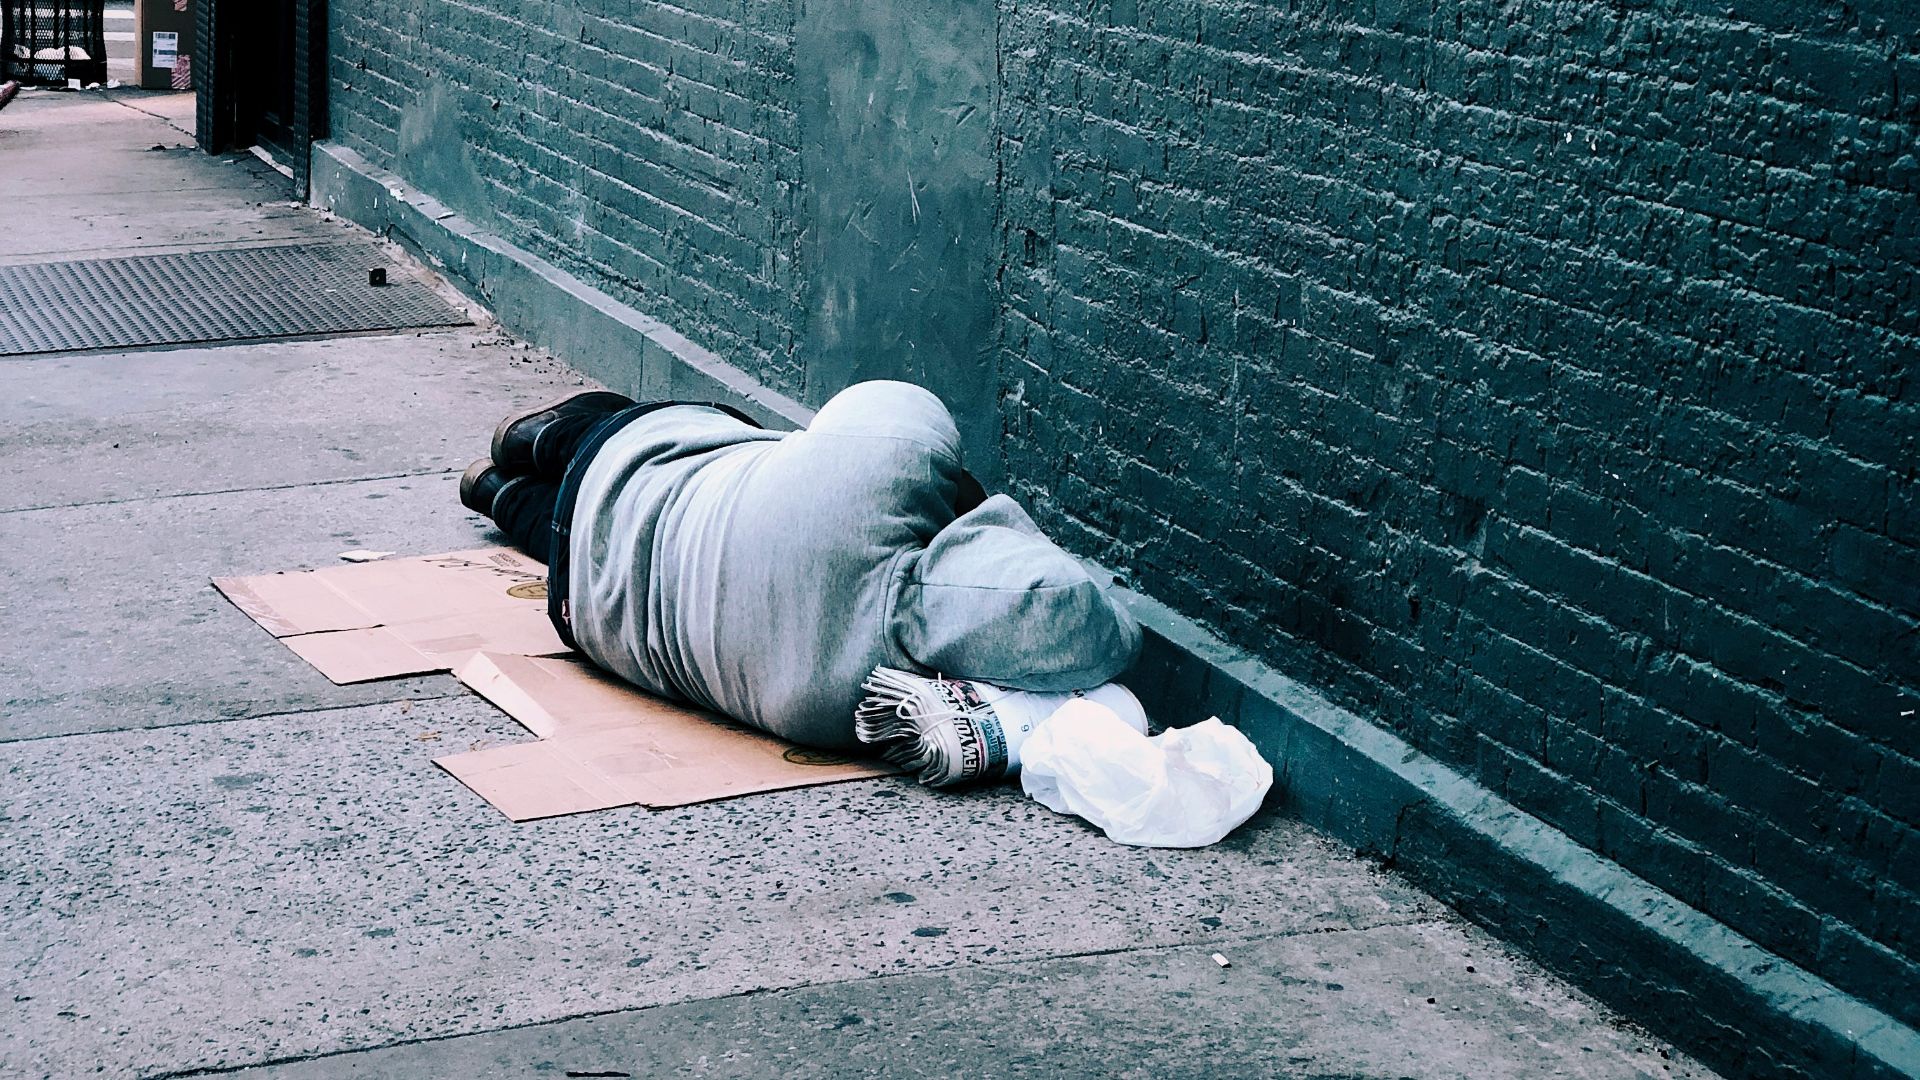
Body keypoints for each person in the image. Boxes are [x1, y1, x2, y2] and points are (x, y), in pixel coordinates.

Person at [459, 380, 1141, 752]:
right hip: (588, 608)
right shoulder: (846, 708)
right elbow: (1092, 628)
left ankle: (532, 439)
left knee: (643, 438)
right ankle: (498, 495)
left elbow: (891, 402)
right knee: (579, 539)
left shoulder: (881, 468)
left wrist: (967, 502)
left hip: (639, 458)